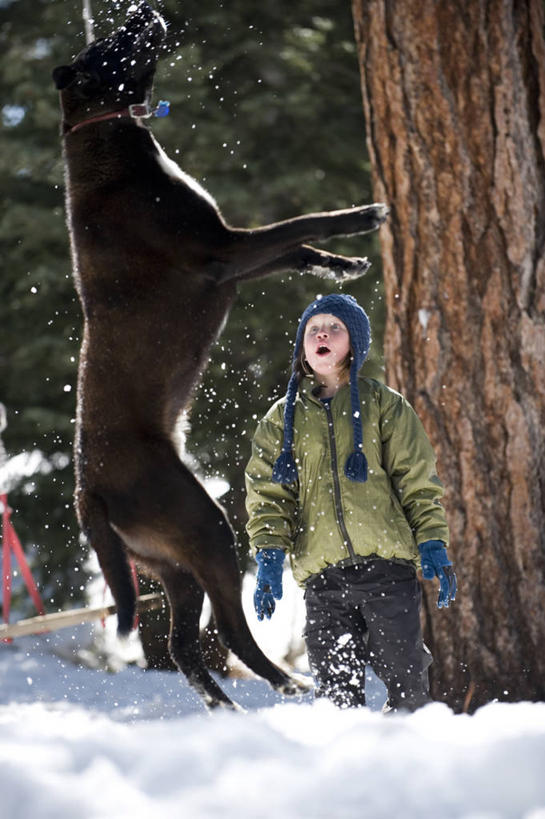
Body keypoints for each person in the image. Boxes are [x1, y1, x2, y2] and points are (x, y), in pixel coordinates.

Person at [245, 293, 456, 712]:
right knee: (336, 700)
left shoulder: (384, 406)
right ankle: (349, 772)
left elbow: (417, 481)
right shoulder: (280, 419)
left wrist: (432, 538)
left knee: (409, 686)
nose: (322, 333)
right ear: (303, 349)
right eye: (313, 329)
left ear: (354, 344)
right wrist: (269, 554)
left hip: (387, 573)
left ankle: (412, 764)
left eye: (334, 327)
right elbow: (269, 497)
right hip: (324, 581)